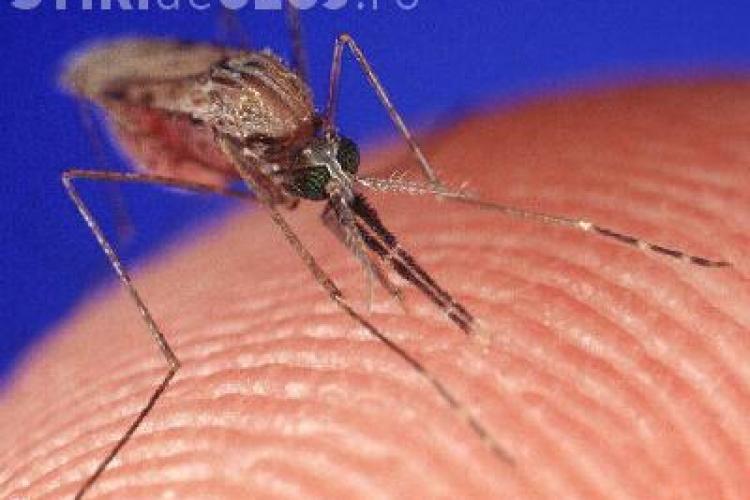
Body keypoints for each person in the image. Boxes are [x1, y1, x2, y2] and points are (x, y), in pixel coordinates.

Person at [1, 79, 747, 498]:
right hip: (192, 115)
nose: (339, 187)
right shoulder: (256, 152)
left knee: (349, 200)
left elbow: (329, 172)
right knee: (331, 274)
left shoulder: (311, 141)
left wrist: (414, 176)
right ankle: (173, 366)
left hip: (268, 124)